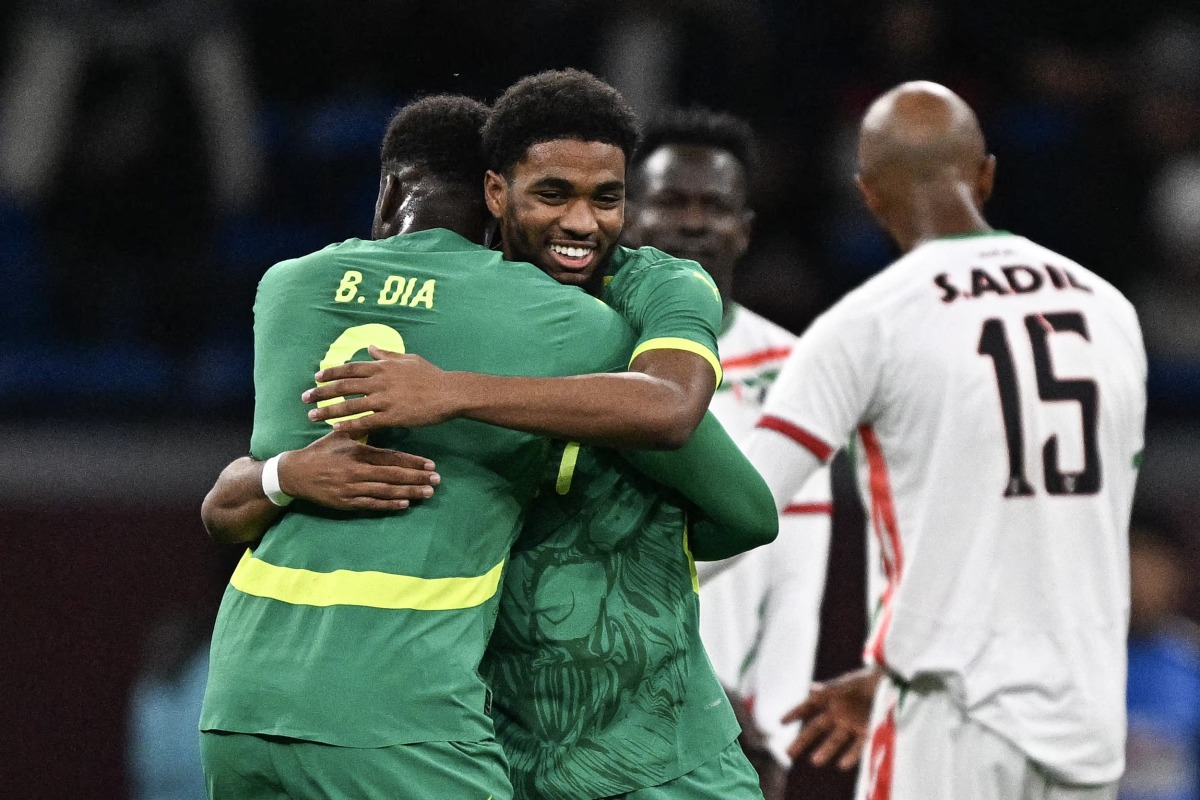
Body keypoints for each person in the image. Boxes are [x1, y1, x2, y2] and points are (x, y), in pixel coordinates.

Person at [201, 79, 776, 800]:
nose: (581, 223)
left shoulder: (644, 301)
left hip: (646, 748)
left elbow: (712, 465)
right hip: (497, 735)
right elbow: (233, 497)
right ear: (495, 195)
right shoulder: (530, 316)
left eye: (606, 199)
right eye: (552, 194)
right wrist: (279, 475)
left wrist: (611, 532)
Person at [740, 81, 1147, 800]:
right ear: (985, 174)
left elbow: (739, 509)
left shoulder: (868, 323)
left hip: (949, 718)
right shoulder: (1108, 309)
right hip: (1086, 719)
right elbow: (1071, 524)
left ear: (867, 194)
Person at [622, 105, 833, 798]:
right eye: (669, 202)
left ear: (743, 230)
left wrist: (773, 732)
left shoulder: (796, 368)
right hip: (583, 708)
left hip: (721, 733)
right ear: (629, 216)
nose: (692, 222)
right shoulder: (582, 346)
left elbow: (798, 576)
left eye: (713, 206)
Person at [1121, 511, 1200, 800]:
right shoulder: (1076, 666)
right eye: (1133, 560)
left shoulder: (1192, 659)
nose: (1140, 579)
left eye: (1154, 566)